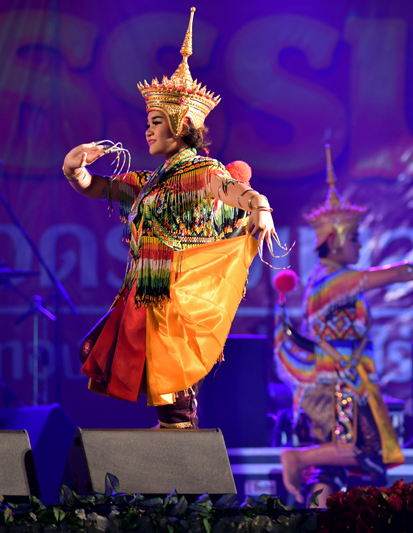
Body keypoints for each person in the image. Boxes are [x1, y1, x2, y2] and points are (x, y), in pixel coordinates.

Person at [63, 9, 277, 428]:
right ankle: (176, 481)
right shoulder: (148, 182)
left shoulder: (202, 172)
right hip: (144, 293)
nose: (148, 130)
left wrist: (259, 204)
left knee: (174, 400)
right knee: (158, 395)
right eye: (148, 122)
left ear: (182, 125)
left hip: (175, 297)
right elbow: (97, 186)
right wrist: (75, 169)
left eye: (157, 122)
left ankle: (182, 483)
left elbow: (232, 190)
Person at [274, 145, 413, 508]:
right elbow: (386, 276)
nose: (360, 244)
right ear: (336, 241)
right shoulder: (332, 281)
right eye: (354, 238)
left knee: (336, 471)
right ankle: (298, 458)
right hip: (335, 383)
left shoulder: (329, 279)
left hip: (344, 380)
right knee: (364, 451)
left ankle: (318, 515)